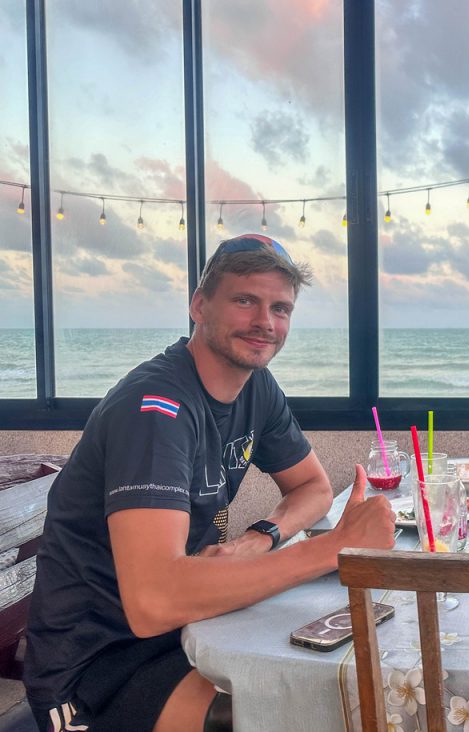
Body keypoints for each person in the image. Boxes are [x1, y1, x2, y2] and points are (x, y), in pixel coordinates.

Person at [24, 235, 396, 732]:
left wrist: (260, 537)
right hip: (99, 665)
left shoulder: (256, 387)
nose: (265, 322)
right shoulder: (156, 410)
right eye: (245, 300)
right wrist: (333, 549)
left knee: (341, 685)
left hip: (189, 627)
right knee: (302, 714)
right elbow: (153, 601)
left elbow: (313, 487)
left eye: (280, 308)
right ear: (199, 305)